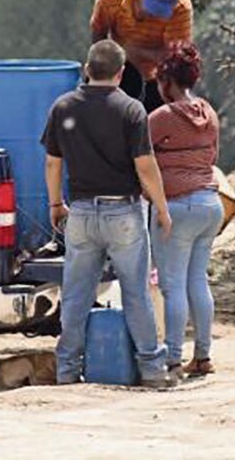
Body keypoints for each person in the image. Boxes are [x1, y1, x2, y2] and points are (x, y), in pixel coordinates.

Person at [41, 39, 177, 389]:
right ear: (119, 74)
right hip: (124, 213)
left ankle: (68, 369)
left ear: (87, 69)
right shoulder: (131, 110)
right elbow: (145, 167)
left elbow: (53, 162)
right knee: (135, 293)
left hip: (82, 213)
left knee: (76, 296)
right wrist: (161, 208)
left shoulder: (63, 107)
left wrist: (56, 204)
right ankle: (152, 370)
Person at [147, 43, 224, 378]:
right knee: (197, 282)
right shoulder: (209, 114)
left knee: (172, 286)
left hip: (176, 208)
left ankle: (174, 360)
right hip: (210, 204)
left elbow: (139, 156)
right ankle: (203, 356)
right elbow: (213, 157)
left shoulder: (162, 118)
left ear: (167, 81)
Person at [90, 0, 194, 112]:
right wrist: (105, 72)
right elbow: (98, 35)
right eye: (152, 5)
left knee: (155, 121)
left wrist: (135, 51)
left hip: (158, 76)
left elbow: (174, 58)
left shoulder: (180, 8)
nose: (153, 14)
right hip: (119, 66)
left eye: (160, 10)